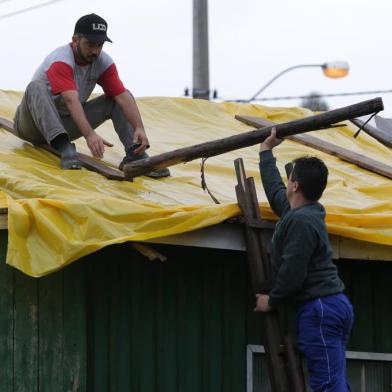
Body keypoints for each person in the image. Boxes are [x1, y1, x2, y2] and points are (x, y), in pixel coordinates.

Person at [255, 128, 354, 391]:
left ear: (295, 185)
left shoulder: (301, 222)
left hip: (320, 308)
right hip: (330, 305)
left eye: (289, 180)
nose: (286, 183)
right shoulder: (301, 213)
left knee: (328, 386)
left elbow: (293, 271)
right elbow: (276, 191)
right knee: (334, 381)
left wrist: (271, 301)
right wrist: (266, 151)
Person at [13, 13, 170, 178]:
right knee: (35, 87)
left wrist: (139, 127)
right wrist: (90, 135)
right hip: (31, 126)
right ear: (75, 40)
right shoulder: (61, 60)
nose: (95, 51)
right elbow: (70, 100)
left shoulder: (103, 63)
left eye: (99, 45)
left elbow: (122, 97)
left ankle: (135, 155)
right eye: (90, 44)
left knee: (119, 97)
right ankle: (65, 147)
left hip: (64, 124)